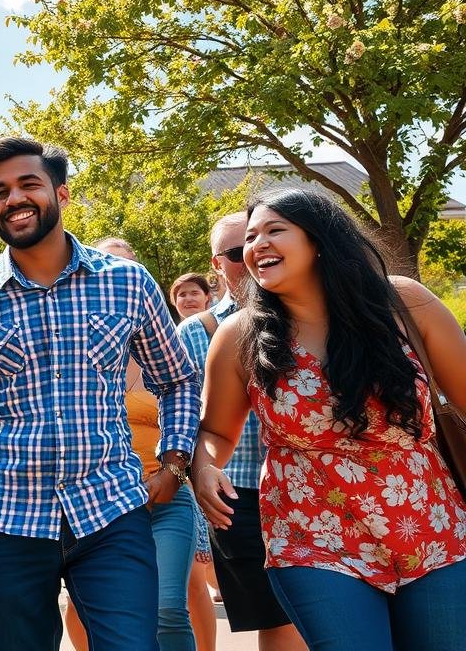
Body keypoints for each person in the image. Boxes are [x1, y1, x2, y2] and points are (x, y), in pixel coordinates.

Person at [0, 137, 199, 651]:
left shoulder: (127, 283)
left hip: (112, 510)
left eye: (28, 184)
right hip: (8, 517)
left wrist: (174, 464)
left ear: (62, 193)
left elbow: (177, 380)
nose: (13, 199)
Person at [193, 188, 466, 650]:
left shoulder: (403, 304)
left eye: (275, 230)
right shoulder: (239, 336)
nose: (257, 245)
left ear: (320, 239)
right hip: (312, 537)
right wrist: (203, 465)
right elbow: (216, 431)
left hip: (432, 527)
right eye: (251, 236)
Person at [62, 239, 202, 651]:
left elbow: (186, 398)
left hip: (163, 496)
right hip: (99, 501)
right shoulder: (77, 352)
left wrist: (173, 473)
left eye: (127, 271)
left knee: (166, 607)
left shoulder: (163, 350)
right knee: (86, 607)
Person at [178, 213, 305, 651]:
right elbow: (186, 420)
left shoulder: (313, 315)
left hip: (317, 490)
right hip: (242, 497)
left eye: (272, 237)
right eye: (237, 251)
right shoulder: (198, 333)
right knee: (278, 621)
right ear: (217, 264)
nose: (254, 255)